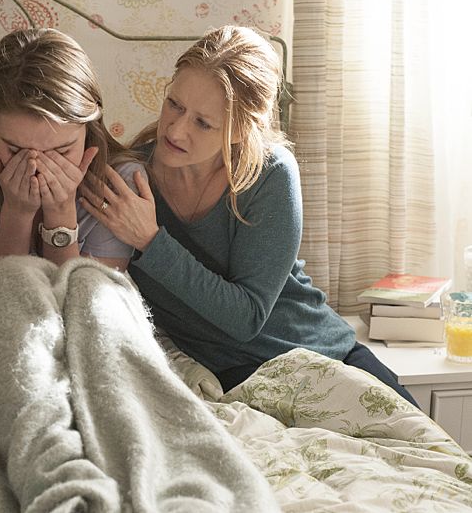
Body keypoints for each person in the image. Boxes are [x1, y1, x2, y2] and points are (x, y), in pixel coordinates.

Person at [79, 25, 418, 406]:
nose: (175, 129)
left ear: (241, 130)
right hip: (231, 377)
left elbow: (247, 318)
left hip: (319, 353)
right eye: (174, 103)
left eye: (202, 122)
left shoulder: (269, 173)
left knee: (426, 440)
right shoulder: (129, 181)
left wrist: (152, 241)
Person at [0, 28, 143, 303]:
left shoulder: (119, 183)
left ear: (90, 127)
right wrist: (17, 212)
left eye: (61, 150)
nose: (37, 167)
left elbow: (79, 311)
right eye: (15, 150)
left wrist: (61, 213)